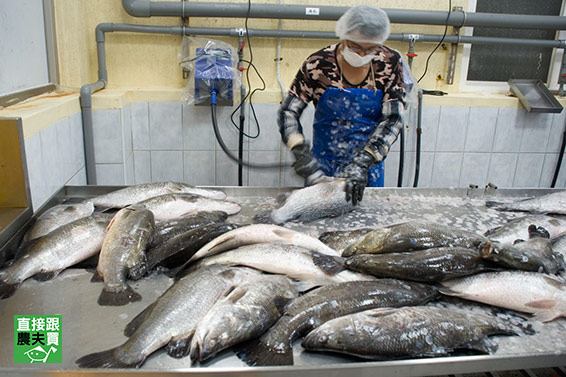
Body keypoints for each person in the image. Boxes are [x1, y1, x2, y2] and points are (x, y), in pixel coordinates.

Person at [278, 4, 406, 205]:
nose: (363, 55)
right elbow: (289, 112)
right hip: (322, 168)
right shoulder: (318, 64)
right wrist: (299, 150)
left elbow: (393, 118)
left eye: (370, 49)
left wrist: (365, 160)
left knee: (366, 227)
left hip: (367, 169)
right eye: (355, 47)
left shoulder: (389, 63)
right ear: (343, 36)